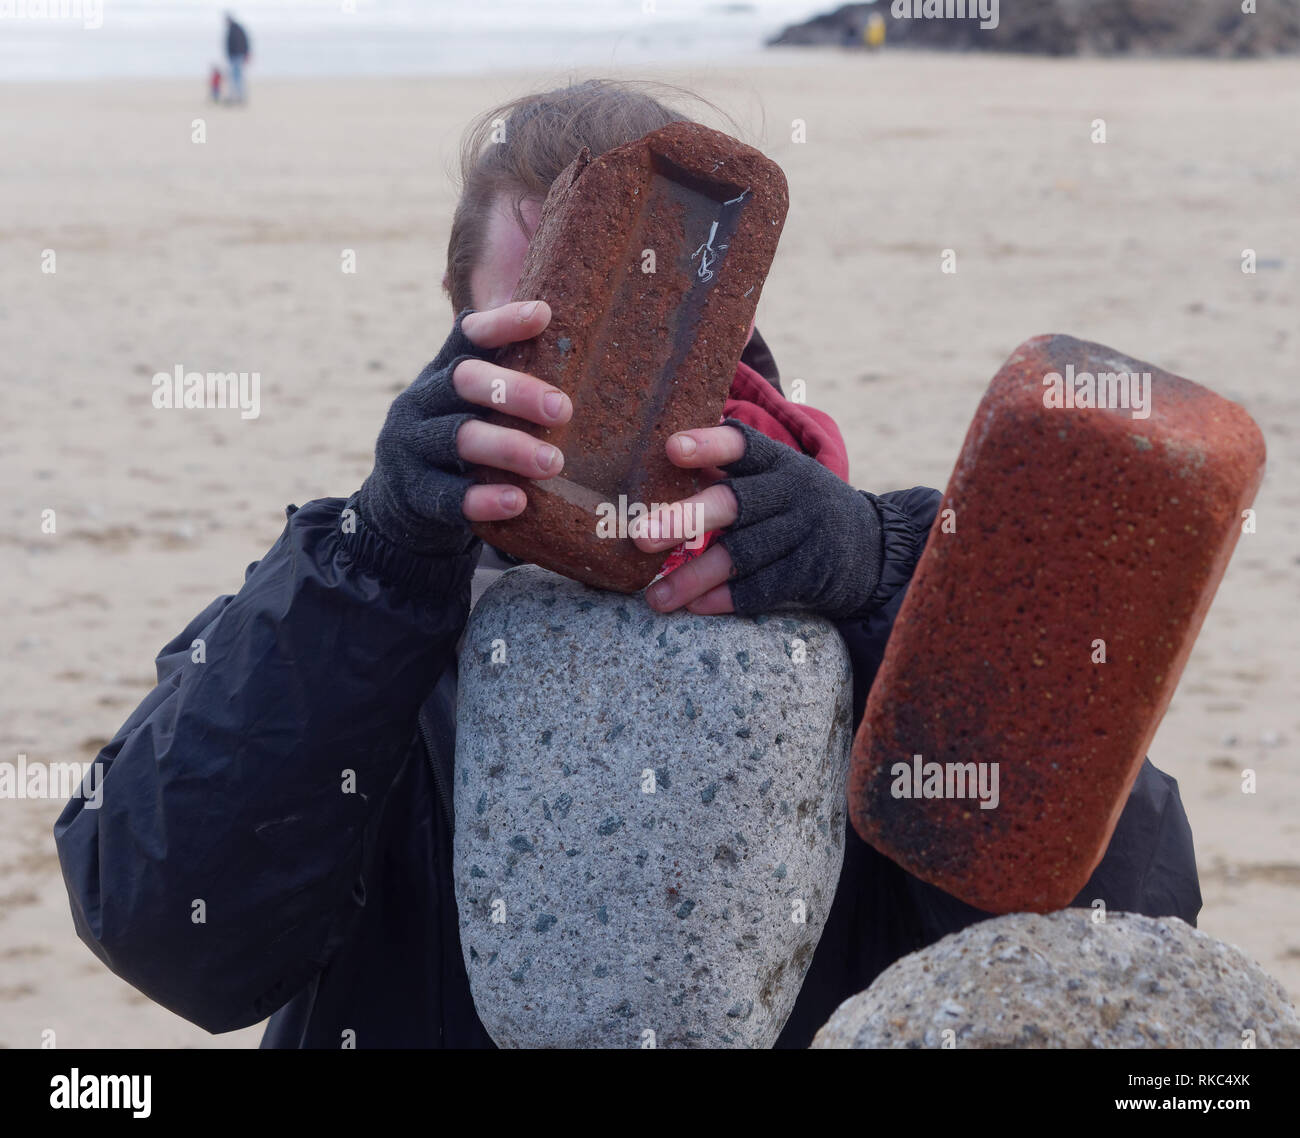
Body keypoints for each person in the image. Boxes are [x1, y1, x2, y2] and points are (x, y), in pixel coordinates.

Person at [53, 79, 1202, 1048]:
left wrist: (881, 582)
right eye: (525, 330)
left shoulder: (859, 574)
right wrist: (384, 553)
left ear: (726, 333)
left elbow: (1127, 912)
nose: (567, 386)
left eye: (626, 324)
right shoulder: (347, 595)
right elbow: (168, 926)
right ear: (455, 325)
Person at [224, 12, 250, 104]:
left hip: (237, 56)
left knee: (236, 78)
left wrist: (246, 54)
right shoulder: (234, 29)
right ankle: (237, 97)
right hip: (235, 57)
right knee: (235, 77)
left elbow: (244, 42)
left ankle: (239, 97)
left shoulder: (235, 29)